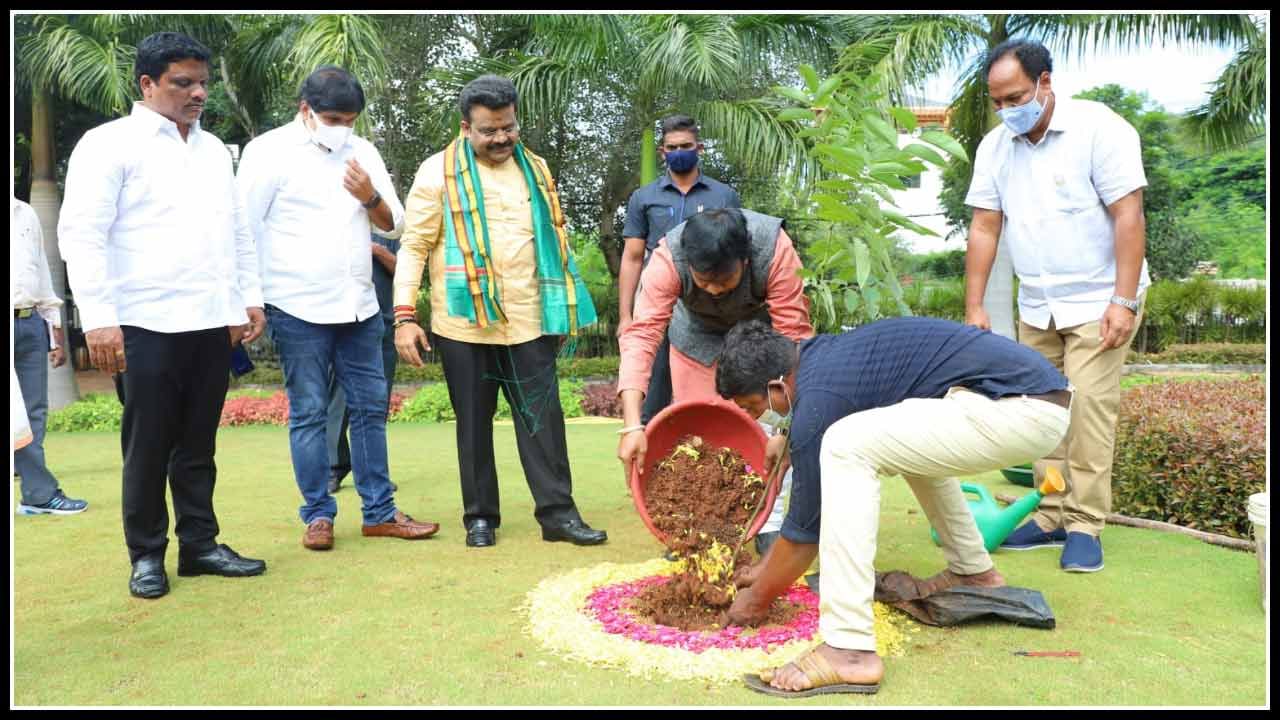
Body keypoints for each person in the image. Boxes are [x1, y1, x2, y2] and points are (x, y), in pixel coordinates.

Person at [716, 318, 1073, 697]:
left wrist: (755, 600)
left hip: (1019, 408)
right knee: (901, 441)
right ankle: (974, 572)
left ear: (776, 386)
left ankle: (848, 648)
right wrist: (762, 570)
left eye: (753, 407)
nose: (757, 419)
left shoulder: (819, 399)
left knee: (844, 444)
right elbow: (824, 405)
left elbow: (805, 536)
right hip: (1028, 398)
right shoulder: (816, 359)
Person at [59, 32, 267, 599]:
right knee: (148, 446)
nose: (198, 93)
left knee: (198, 445)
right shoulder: (109, 145)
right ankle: (147, 556)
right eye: (183, 83)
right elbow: (82, 235)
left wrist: (247, 298)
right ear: (148, 84)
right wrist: (99, 319)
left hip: (209, 322)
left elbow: (237, 233)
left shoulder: (213, 149)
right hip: (142, 322)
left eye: (202, 82)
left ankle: (200, 546)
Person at [393, 74, 606, 549]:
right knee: (473, 424)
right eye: (489, 130)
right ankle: (480, 517)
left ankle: (558, 515)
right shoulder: (436, 172)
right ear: (466, 126)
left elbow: (556, 240)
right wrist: (404, 316)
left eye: (508, 127)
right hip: (463, 325)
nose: (501, 138)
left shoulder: (535, 168)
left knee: (543, 421)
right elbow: (415, 245)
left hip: (530, 320)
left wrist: (565, 307)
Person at [963, 39, 1148, 573]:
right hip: (1037, 303)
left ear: (1045, 82)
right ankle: (1050, 515)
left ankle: (1085, 525)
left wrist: (1124, 298)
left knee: (1087, 407)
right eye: (996, 102)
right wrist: (975, 304)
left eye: (1014, 97)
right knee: (1043, 413)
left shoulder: (1100, 129)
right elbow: (984, 226)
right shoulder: (995, 149)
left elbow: (1128, 215)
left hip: (1099, 298)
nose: (1006, 110)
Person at [237, 65, 439, 551]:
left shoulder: (362, 151)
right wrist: (248, 297)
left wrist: (368, 196)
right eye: (332, 117)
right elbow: (243, 228)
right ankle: (318, 516)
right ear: (304, 110)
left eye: (349, 119)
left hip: (359, 305)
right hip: (294, 304)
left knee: (370, 411)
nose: (340, 127)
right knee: (308, 413)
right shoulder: (267, 152)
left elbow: (394, 225)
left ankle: (379, 511)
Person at [614, 207, 813, 545]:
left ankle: (768, 524)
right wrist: (633, 425)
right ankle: (693, 533)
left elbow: (792, 336)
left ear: (745, 263)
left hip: (760, 340)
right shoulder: (667, 260)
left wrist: (787, 423)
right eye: (704, 280)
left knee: (771, 434)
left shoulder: (775, 249)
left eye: (724, 280)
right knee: (694, 435)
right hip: (695, 340)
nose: (715, 290)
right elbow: (642, 336)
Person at [618, 115, 741, 428]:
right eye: (672, 147)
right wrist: (625, 317)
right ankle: (647, 465)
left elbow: (736, 252)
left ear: (699, 148)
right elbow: (632, 258)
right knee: (655, 398)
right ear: (663, 152)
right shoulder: (644, 198)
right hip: (660, 308)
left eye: (686, 146)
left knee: (717, 394)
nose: (679, 152)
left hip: (710, 309)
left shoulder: (723, 196)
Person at [12, 197, 88, 516]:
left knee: (32, 411)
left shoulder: (25, 212)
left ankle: (37, 494)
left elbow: (40, 270)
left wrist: (53, 327)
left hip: (30, 321)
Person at [326, 231, 401, 495]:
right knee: (338, 402)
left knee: (376, 404)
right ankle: (334, 468)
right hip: (345, 324)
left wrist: (378, 251)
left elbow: (407, 273)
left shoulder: (391, 228)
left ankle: (373, 474)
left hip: (385, 325)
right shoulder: (336, 220)